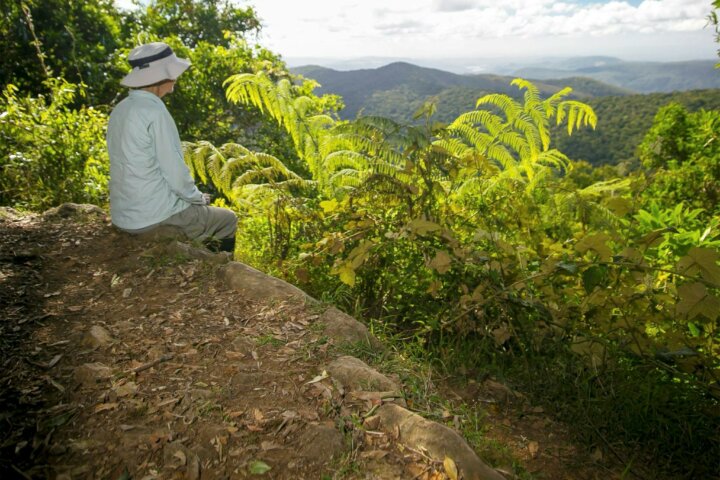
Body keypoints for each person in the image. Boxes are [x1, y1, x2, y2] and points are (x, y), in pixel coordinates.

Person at [106, 41, 237, 253]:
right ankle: (216, 268)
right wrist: (197, 198)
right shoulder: (155, 112)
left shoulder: (120, 109)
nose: (176, 78)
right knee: (228, 219)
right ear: (161, 77)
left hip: (123, 216)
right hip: (153, 217)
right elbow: (174, 172)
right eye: (173, 73)